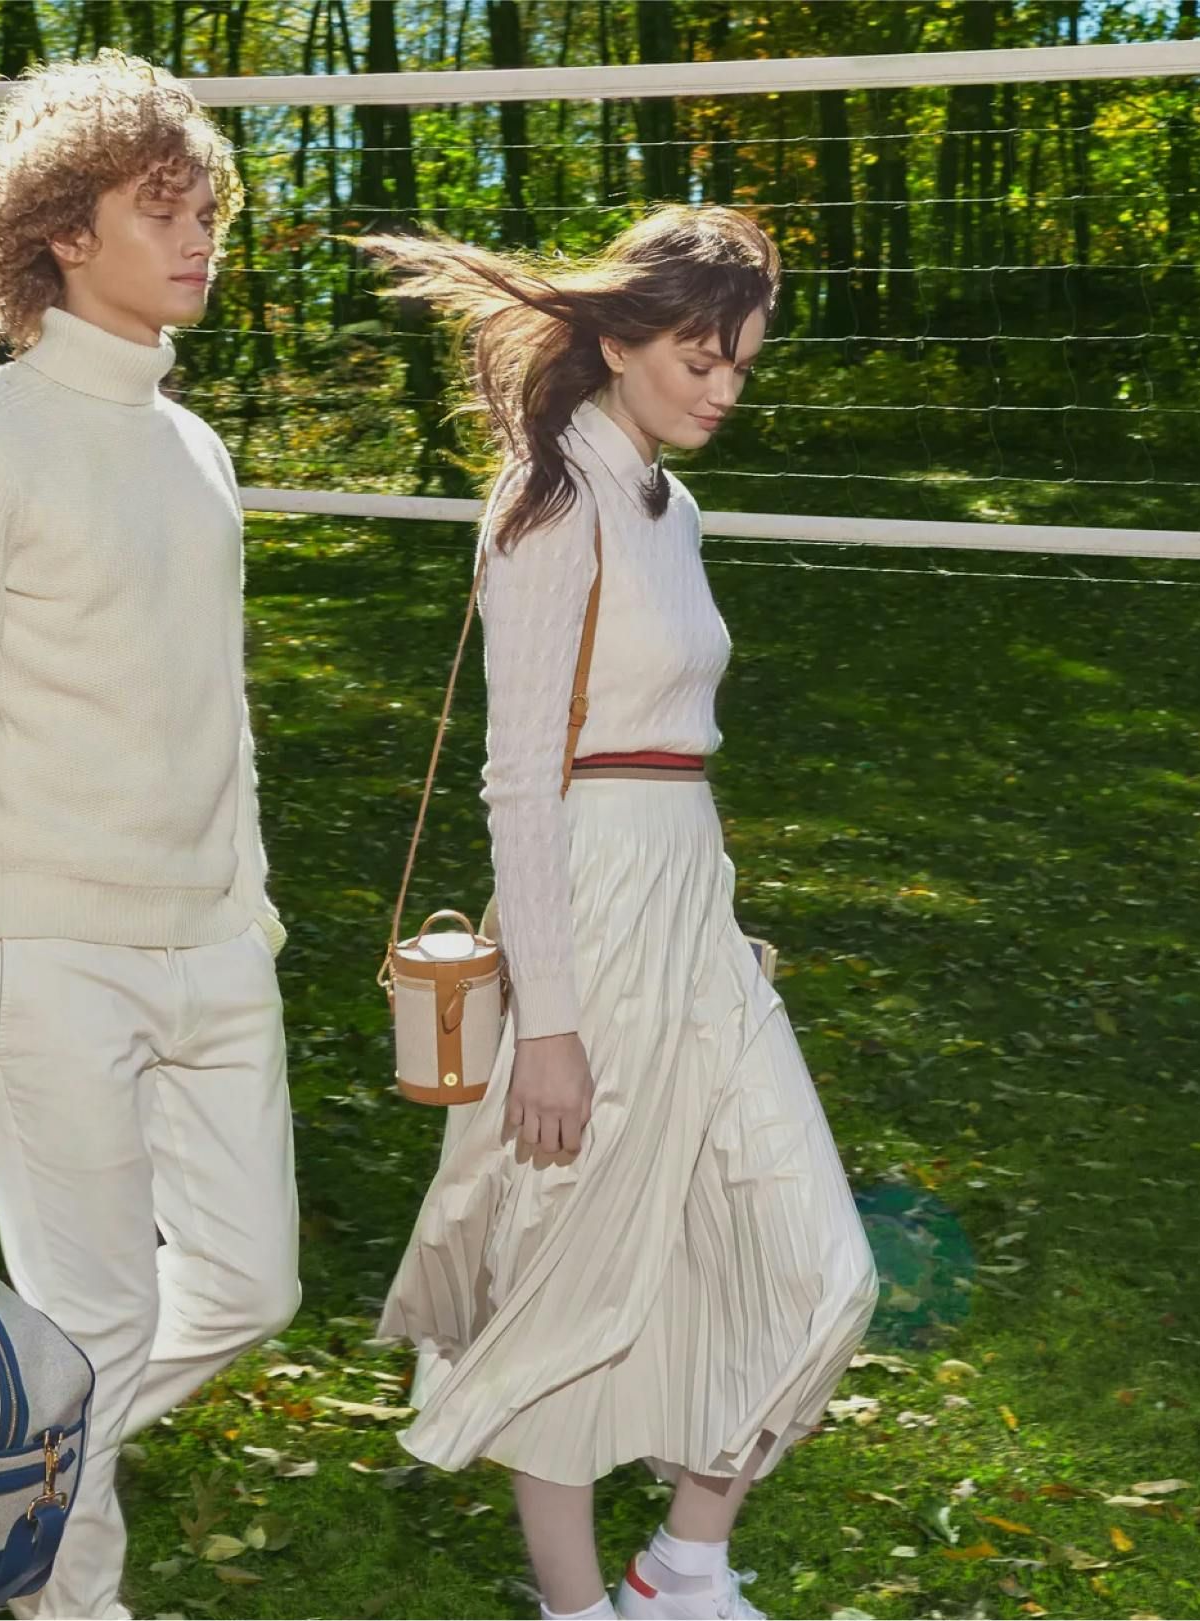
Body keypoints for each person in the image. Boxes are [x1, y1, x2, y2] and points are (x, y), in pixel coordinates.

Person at [360, 206, 880, 1621]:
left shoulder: (671, 501)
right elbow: (518, 781)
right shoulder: (549, 499)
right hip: (587, 910)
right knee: (569, 1276)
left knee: (819, 1259)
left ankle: (684, 1568)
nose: (724, 387)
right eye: (701, 356)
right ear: (615, 338)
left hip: (691, 903)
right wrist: (554, 1026)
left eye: (743, 365)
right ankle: (580, 1607)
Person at [0, 52, 297, 1620]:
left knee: (249, 1289)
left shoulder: (197, 451)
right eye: (158, 211)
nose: (200, 241)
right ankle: (67, 1596)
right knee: (96, 1317)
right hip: (43, 957)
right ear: (60, 233)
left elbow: (216, 713)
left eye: (209, 212)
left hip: (216, 948)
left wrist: (247, 914)